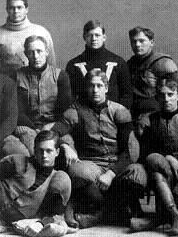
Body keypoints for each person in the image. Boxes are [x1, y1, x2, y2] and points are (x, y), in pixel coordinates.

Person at [51, 68, 147, 228]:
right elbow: (54, 132)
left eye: (99, 86)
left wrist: (111, 173)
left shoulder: (119, 111)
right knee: (77, 172)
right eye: (91, 86)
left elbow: (130, 151)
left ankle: (101, 215)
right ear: (86, 88)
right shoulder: (76, 110)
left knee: (139, 174)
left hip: (118, 165)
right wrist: (65, 145)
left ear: (106, 88)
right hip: (92, 166)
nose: (95, 90)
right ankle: (116, 211)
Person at [130, 77, 178, 236]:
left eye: (170, 94)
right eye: (162, 95)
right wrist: (170, 158)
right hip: (165, 174)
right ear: (157, 97)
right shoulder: (150, 119)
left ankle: (156, 221)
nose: (166, 99)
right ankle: (175, 215)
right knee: (155, 166)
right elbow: (144, 153)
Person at [15, 35, 73, 155]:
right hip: (27, 127)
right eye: (31, 52)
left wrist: (54, 127)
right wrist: (35, 130)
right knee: (35, 152)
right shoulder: (17, 76)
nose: (36, 56)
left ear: (47, 52)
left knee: (67, 151)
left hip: (53, 126)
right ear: (26, 54)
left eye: (39, 51)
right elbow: (17, 111)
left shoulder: (60, 75)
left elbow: (66, 110)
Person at [127, 26, 178, 121]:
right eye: (134, 41)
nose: (137, 45)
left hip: (157, 117)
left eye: (141, 41)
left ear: (151, 42)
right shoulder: (130, 63)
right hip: (136, 116)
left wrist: (168, 116)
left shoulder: (162, 63)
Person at [66, 20, 132, 109]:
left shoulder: (118, 62)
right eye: (90, 35)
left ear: (104, 37)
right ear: (84, 37)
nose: (93, 39)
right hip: (84, 114)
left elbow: (127, 93)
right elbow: (70, 95)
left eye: (97, 35)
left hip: (112, 116)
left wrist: (118, 113)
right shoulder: (73, 64)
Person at [0, 0, 56, 78]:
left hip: (36, 86)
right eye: (12, 8)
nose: (16, 11)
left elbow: (52, 66)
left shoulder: (41, 32)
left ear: (26, 9)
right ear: (7, 10)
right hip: (7, 85)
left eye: (19, 7)